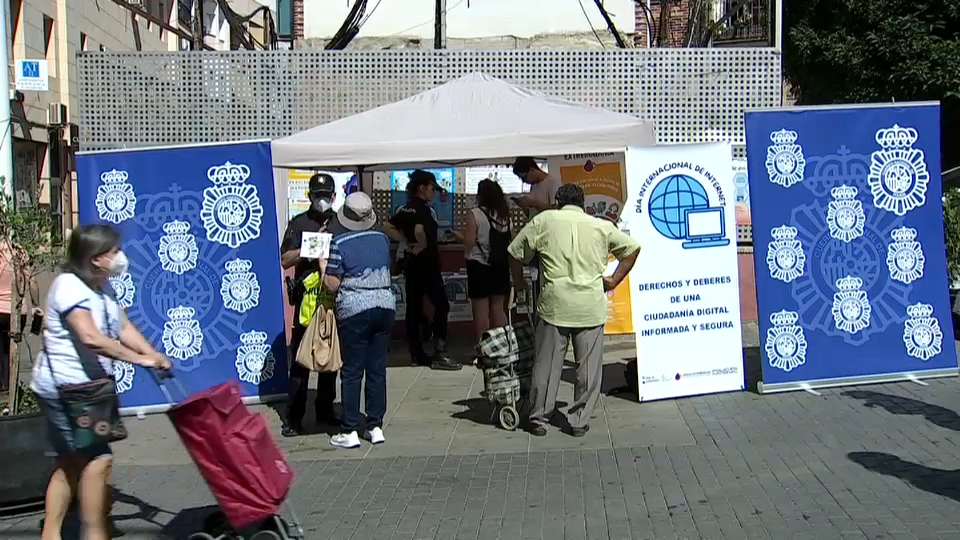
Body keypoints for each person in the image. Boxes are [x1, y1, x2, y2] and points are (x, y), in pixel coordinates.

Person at [31, 224, 171, 540]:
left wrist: (153, 354)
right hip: (68, 390)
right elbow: (91, 337)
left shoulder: (100, 286)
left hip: (88, 389)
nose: (120, 257)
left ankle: (52, 533)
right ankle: (93, 532)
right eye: (114, 252)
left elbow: (121, 326)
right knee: (97, 458)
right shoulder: (68, 286)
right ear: (95, 258)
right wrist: (138, 360)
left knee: (72, 461)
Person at [507, 184, 640, 437]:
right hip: (589, 305)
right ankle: (579, 421)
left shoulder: (544, 221)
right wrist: (613, 280)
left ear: (557, 200)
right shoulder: (600, 226)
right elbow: (632, 249)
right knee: (588, 368)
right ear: (583, 203)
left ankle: (539, 418)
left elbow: (514, 252)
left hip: (553, 304)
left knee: (546, 365)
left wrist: (519, 283)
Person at [320, 192, 396, 449]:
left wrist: (323, 267)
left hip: (355, 309)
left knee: (352, 370)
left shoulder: (339, 243)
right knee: (377, 369)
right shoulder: (382, 239)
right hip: (385, 306)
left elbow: (332, 285)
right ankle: (375, 426)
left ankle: (349, 429)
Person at [279, 172, 339, 437]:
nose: (322, 201)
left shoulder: (341, 222)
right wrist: (311, 247)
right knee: (301, 362)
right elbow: (285, 259)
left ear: (334, 197)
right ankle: (293, 417)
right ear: (310, 196)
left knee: (331, 358)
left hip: (333, 299)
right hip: (306, 300)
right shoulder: (299, 223)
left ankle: (325, 409)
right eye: (317, 196)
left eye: (326, 197)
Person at [383, 169, 461, 371]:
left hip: (413, 266)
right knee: (441, 305)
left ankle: (416, 353)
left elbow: (387, 226)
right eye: (431, 188)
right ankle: (439, 353)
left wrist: (406, 240)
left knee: (414, 309)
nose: (433, 193)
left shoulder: (406, 209)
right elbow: (419, 233)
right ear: (422, 187)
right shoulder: (422, 211)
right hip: (427, 266)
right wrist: (416, 240)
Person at [450, 179, 512, 340]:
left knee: (481, 313)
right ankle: (502, 348)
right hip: (501, 266)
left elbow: (469, 242)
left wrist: (458, 237)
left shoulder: (475, 214)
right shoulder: (505, 215)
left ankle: (484, 350)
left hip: (479, 266)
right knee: (499, 310)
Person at [0, 240, 42, 391]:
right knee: (11, 351)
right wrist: (36, 305)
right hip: (17, 311)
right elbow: (32, 280)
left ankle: (4, 391)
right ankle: (10, 387)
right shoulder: (18, 251)